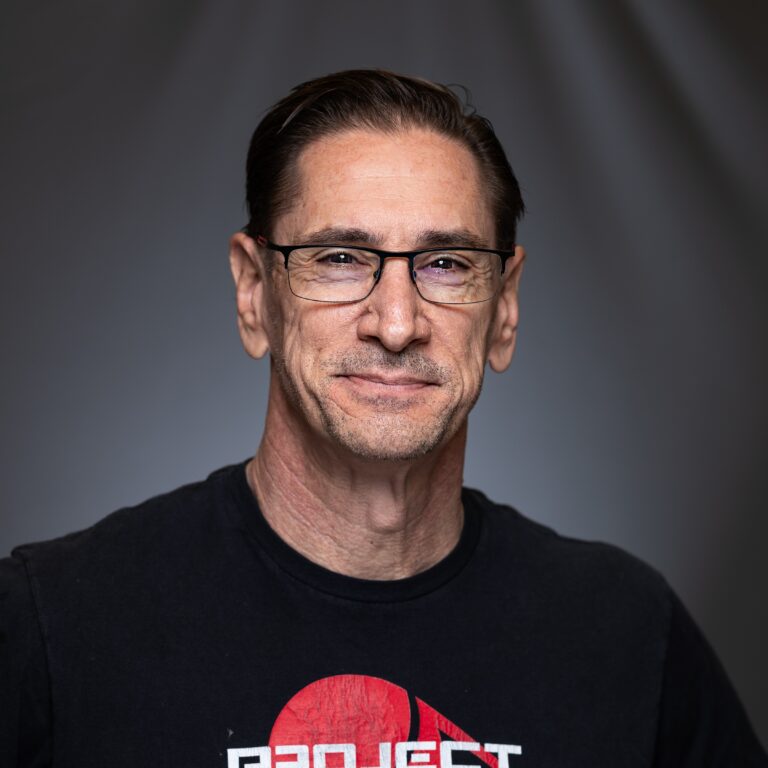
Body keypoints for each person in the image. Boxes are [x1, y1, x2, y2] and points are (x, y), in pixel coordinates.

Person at [1, 69, 765, 767]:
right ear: (253, 293)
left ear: (505, 309)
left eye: (447, 263)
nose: (396, 324)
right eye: (339, 257)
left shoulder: (626, 633)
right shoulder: (53, 626)